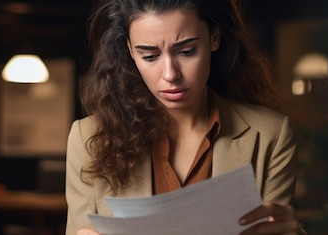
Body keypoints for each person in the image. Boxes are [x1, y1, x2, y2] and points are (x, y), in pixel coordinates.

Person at [66, 0, 304, 234]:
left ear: (214, 38)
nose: (170, 74)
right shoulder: (88, 139)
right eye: (150, 56)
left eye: (187, 51)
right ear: (129, 49)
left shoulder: (270, 135)